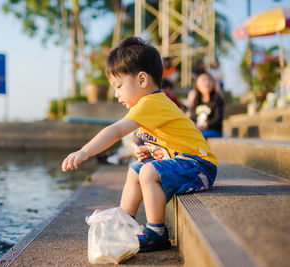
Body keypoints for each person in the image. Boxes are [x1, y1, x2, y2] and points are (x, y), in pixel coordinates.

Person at [61, 37, 217, 253]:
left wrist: (85, 151)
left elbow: (115, 131)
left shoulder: (151, 102)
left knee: (148, 172)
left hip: (200, 167)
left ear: (142, 80)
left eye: (119, 86)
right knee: (136, 169)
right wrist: (153, 151)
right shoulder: (150, 106)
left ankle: (157, 233)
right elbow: (170, 143)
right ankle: (125, 223)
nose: (116, 95)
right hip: (185, 162)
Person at [189, 72, 224, 139]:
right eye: (203, 80)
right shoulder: (196, 101)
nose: (207, 82)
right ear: (197, 84)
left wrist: (206, 126)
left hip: (213, 131)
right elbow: (192, 117)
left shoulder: (217, 99)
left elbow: (218, 120)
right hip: (197, 130)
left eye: (209, 80)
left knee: (197, 135)